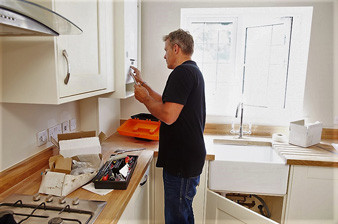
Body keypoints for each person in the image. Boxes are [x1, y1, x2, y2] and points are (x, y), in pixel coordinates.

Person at [131, 28, 206, 224]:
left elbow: (168, 115)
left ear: (175, 48)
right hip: (188, 158)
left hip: (181, 160)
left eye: (165, 50)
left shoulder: (182, 73)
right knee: (183, 212)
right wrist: (144, 84)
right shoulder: (192, 71)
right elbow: (167, 101)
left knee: (176, 218)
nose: (164, 56)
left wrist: (144, 100)